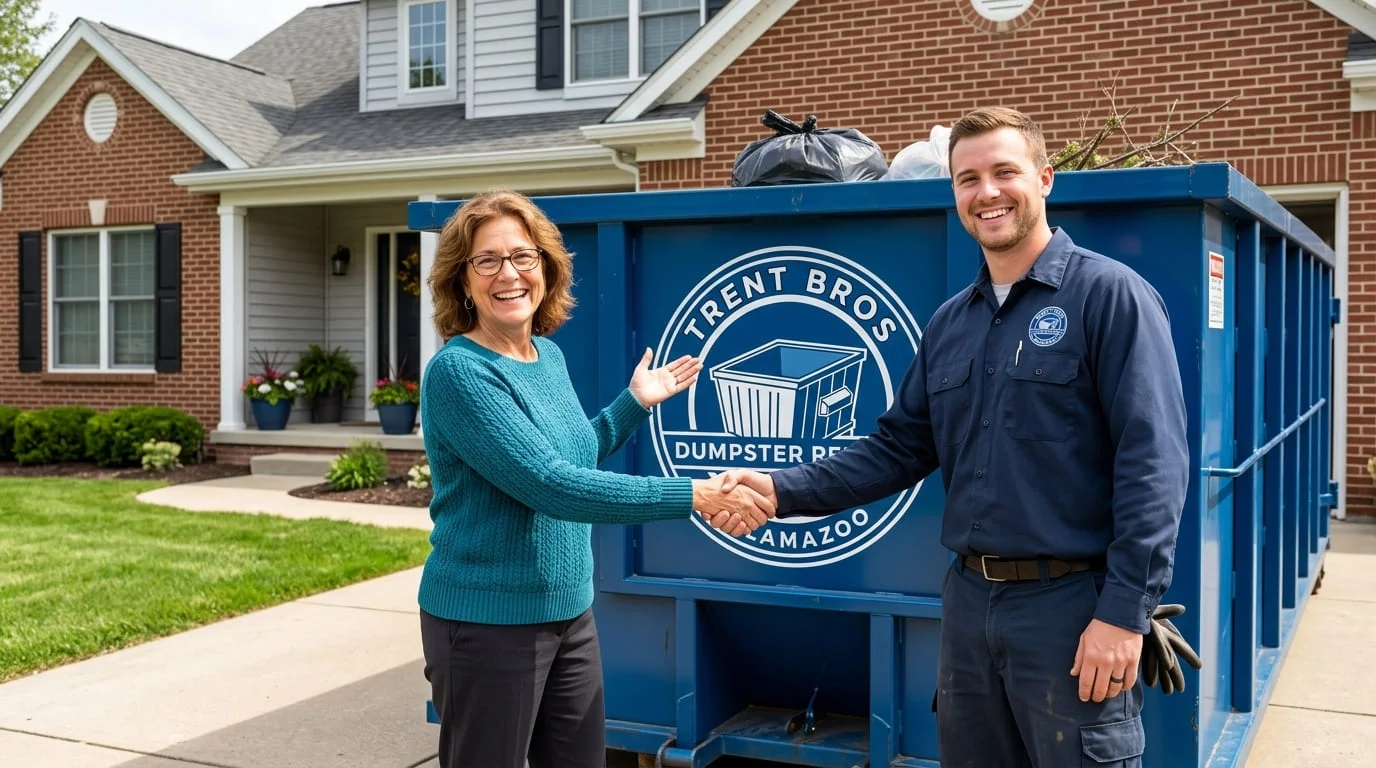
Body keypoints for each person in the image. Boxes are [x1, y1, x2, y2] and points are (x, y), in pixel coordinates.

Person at [720, 107, 1190, 766]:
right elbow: (898, 446)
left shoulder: (1109, 297)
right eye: (969, 179)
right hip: (970, 606)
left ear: (1046, 177)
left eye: (1005, 172)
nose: (987, 193)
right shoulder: (951, 323)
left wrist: (1123, 614)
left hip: (1069, 609)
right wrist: (778, 487)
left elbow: (1154, 465)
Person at [416, 189, 775, 768]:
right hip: (487, 623)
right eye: (487, 260)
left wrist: (632, 403)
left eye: (523, 257)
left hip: (568, 613)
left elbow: (575, 454)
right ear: (462, 280)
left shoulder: (545, 357)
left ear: (546, 269)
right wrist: (695, 495)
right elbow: (550, 484)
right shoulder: (460, 373)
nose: (509, 274)